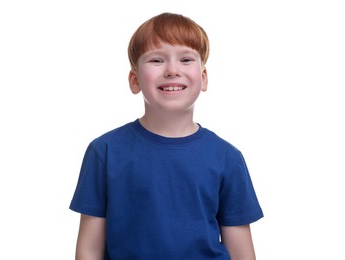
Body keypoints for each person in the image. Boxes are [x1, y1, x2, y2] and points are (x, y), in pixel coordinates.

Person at [70, 12, 263, 260]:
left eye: (185, 59)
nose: (173, 70)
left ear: (203, 78)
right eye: (157, 60)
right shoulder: (104, 151)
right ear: (134, 80)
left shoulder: (228, 157)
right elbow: (88, 250)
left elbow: (242, 253)